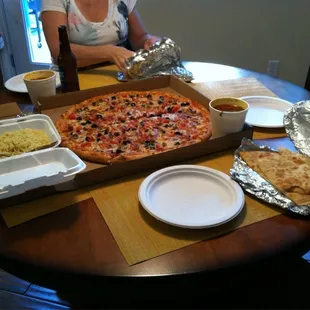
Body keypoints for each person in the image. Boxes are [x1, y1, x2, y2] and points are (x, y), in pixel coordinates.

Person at [40, 0, 161, 71]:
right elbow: (58, 51)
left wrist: (148, 41)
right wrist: (109, 52)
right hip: (71, 81)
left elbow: (139, 37)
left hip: (119, 78)